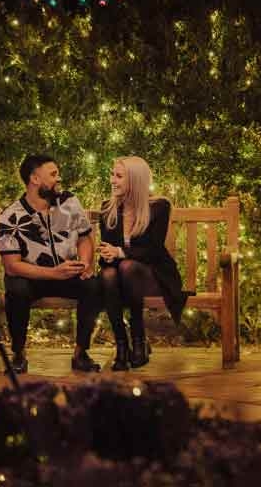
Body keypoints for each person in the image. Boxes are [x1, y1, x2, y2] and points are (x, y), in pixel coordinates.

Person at [0, 154, 102, 373]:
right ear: (35, 179)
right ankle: (18, 354)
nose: (58, 178)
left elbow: (84, 238)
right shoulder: (11, 216)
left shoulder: (69, 202)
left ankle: (81, 353)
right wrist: (53, 273)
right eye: (53, 174)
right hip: (31, 277)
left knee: (93, 285)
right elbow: (12, 266)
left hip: (66, 272)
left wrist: (84, 263)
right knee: (16, 290)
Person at [98, 156, 187, 370]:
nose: (112, 180)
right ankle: (121, 343)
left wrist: (120, 252)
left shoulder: (159, 207)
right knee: (108, 274)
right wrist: (108, 254)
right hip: (120, 278)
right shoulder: (108, 208)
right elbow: (107, 252)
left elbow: (153, 250)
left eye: (119, 176)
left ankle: (138, 337)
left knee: (127, 267)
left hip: (152, 274)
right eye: (112, 175)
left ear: (135, 180)